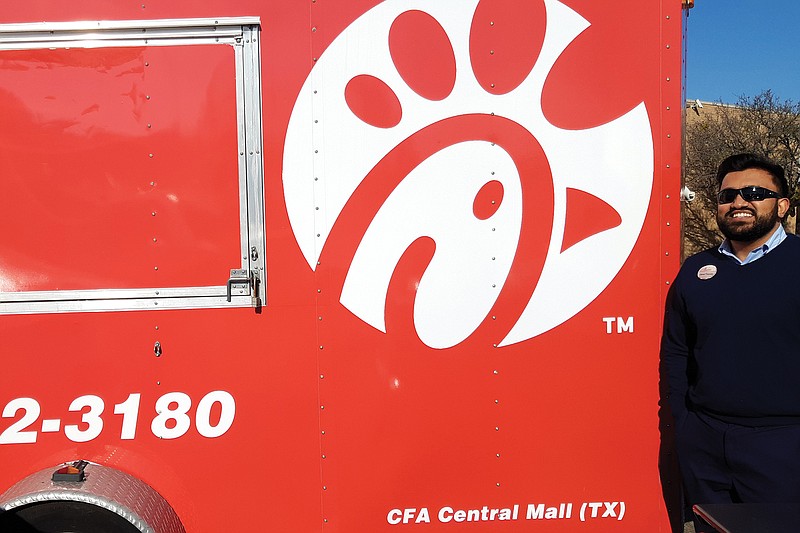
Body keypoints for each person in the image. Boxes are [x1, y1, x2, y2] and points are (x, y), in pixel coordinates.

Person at [661, 153, 800, 517]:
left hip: (783, 445)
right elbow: (678, 350)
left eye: (754, 192)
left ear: (781, 205)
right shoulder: (697, 270)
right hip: (705, 443)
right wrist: (685, 422)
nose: (739, 202)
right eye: (728, 196)